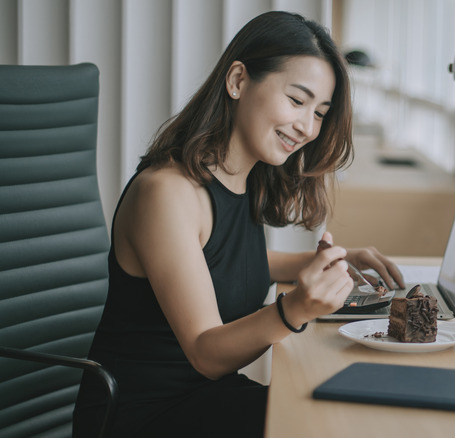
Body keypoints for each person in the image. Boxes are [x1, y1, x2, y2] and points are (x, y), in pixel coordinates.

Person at [73, 11, 404, 437]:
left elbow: (223, 263)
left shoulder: (242, 176)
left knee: (340, 408)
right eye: (297, 100)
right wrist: (295, 309)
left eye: (320, 112)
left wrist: (327, 264)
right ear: (237, 81)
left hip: (203, 399)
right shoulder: (168, 192)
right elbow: (205, 352)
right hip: (141, 416)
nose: (307, 127)